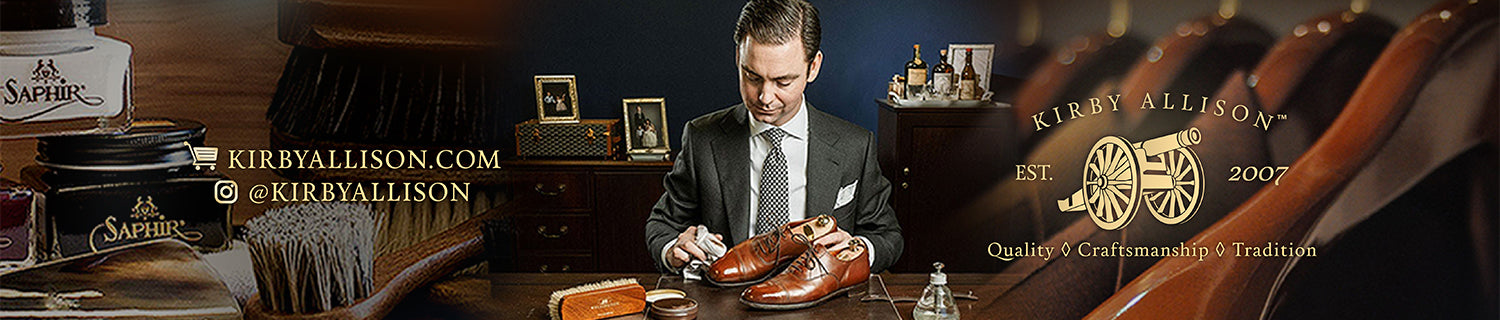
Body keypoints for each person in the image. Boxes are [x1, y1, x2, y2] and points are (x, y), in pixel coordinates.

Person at [644, 0, 902, 274]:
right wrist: (673, 248)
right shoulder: (701, 139)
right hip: (727, 301)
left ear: (813, 67)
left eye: (783, 82)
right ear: (738, 59)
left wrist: (857, 248)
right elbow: (662, 224)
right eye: (752, 77)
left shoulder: (855, 146)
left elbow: (888, 236)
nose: (764, 97)